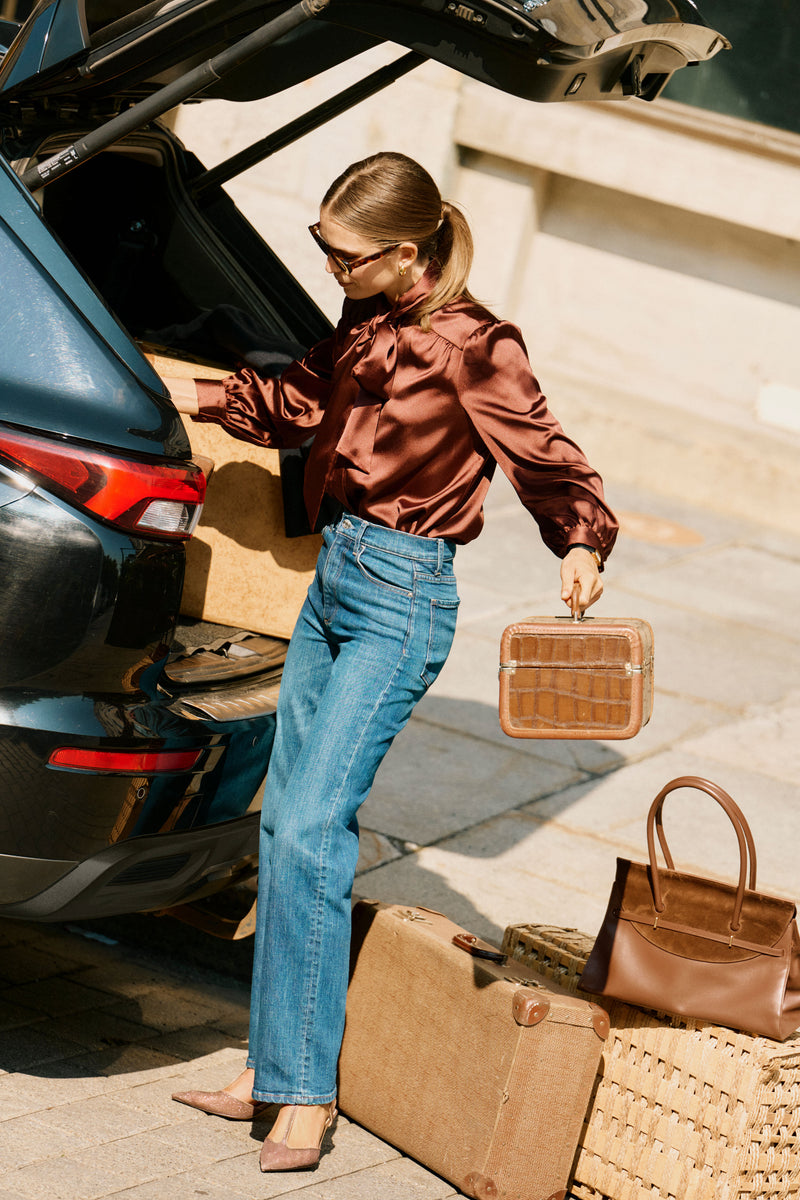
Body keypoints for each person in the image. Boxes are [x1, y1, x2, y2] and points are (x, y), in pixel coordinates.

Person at [163, 151, 618, 1172]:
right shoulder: (364, 322)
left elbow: (547, 456)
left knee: (317, 826)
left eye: (342, 252)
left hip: (402, 597)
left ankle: (305, 1095)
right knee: (282, 825)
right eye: (321, 244)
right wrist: (179, 393)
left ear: (404, 250)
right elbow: (296, 404)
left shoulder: (477, 345)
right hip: (333, 579)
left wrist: (580, 540)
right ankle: (267, 1064)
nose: (326, 263)